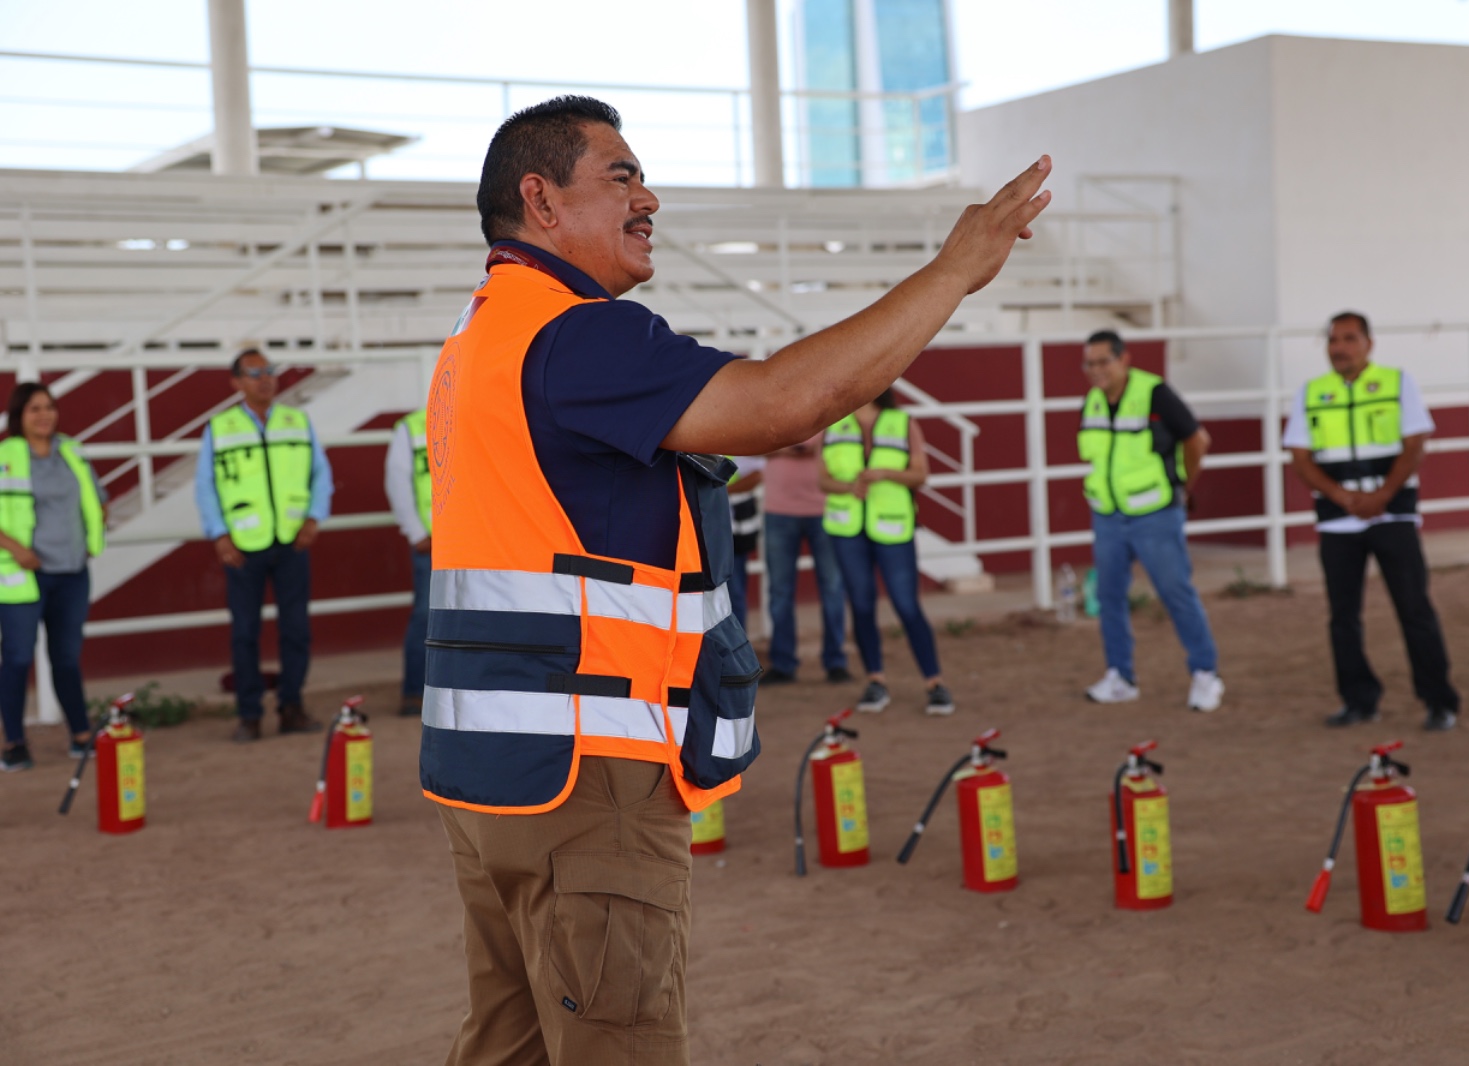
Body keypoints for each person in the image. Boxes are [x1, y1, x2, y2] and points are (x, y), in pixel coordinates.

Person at [424, 95, 1048, 1065]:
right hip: (588, 783)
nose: (650, 198)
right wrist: (954, 271)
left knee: (510, 1045)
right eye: (621, 176)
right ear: (540, 202)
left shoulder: (478, 341)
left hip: (496, 785)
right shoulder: (577, 335)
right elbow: (790, 404)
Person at [1284, 311, 1461, 730]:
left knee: (1414, 607)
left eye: (1348, 339)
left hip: (1392, 514)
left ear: (1368, 343)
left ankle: (1439, 701)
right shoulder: (1311, 392)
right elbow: (1300, 458)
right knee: (1343, 616)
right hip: (1337, 520)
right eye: (1333, 340)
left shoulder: (1399, 383)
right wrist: (1344, 497)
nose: (1339, 348)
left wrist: (1382, 496)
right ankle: (1358, 699)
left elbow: (1415, 444)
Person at [1076, 330, 1223, 712]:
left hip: (1155, 514)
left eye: (1103, 361)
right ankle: (1120, 677)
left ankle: (1206, 674)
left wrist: (1183, 485)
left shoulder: (1155, 393)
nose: (1096, 370)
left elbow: (1197, 441)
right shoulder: (1091, 401)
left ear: (1124, 359)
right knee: (1108, 597)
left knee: (1176, 592)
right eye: (1089, 363)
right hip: (1107, 516)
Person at [196, 349, 333, 743]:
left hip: (292, 540)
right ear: (236, 383)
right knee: (245, 632)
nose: (264, 379)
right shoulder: (219, 428)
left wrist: (314, 517)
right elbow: (206, 486)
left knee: (296, 630)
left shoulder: (297, 421)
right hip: (243, 544)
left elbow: (320, 473)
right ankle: (250, 714)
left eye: (268, 371)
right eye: (253, 373)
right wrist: (219, 534)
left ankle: (291, 706)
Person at [820, 389, 955, 715]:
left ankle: (934, 682)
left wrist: (885, 474)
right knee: (862, 604)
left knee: (907, 605)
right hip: (846, 528)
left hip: (893, 527)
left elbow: (920, 475)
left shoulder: (903, 422)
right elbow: (822, 480)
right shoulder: (834, 424)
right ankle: (875, 681)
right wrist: (849, 486)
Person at [0, 384, 106, 772]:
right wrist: (15, 548)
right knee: (16, 657)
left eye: (49, 407)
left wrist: (92, 538)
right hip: (23, 575)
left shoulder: (72, 451)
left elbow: (97, 497)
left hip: (72, 573)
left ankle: (80, 735)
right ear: (19, 415)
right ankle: (13, 742)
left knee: (65, 658)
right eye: (34, 409)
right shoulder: (5, 456)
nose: (44, 415)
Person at [758, 434, 852, 685]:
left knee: (832, 588)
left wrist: (782, 446)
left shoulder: (828, 403)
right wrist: (794, 447)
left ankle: (835, 661)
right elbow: (756, 444)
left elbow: (837, 447)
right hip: (779, 509)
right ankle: (783, 662)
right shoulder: (771, 405)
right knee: (780, 590)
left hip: (824, 507)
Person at [384, 408, 430, 717]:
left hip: (473, 542)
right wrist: (416, 532)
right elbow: (397, 480)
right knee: (426, 616)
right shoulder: (412, 426)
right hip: (433, 542)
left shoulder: (478, 415)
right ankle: (413, 692)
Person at [726, 455, 764, 630]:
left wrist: (721, 491)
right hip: (707, 528)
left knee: (735, 594)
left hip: (735, 532)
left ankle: (737, 650)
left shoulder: (735, 438)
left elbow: (757, 474)